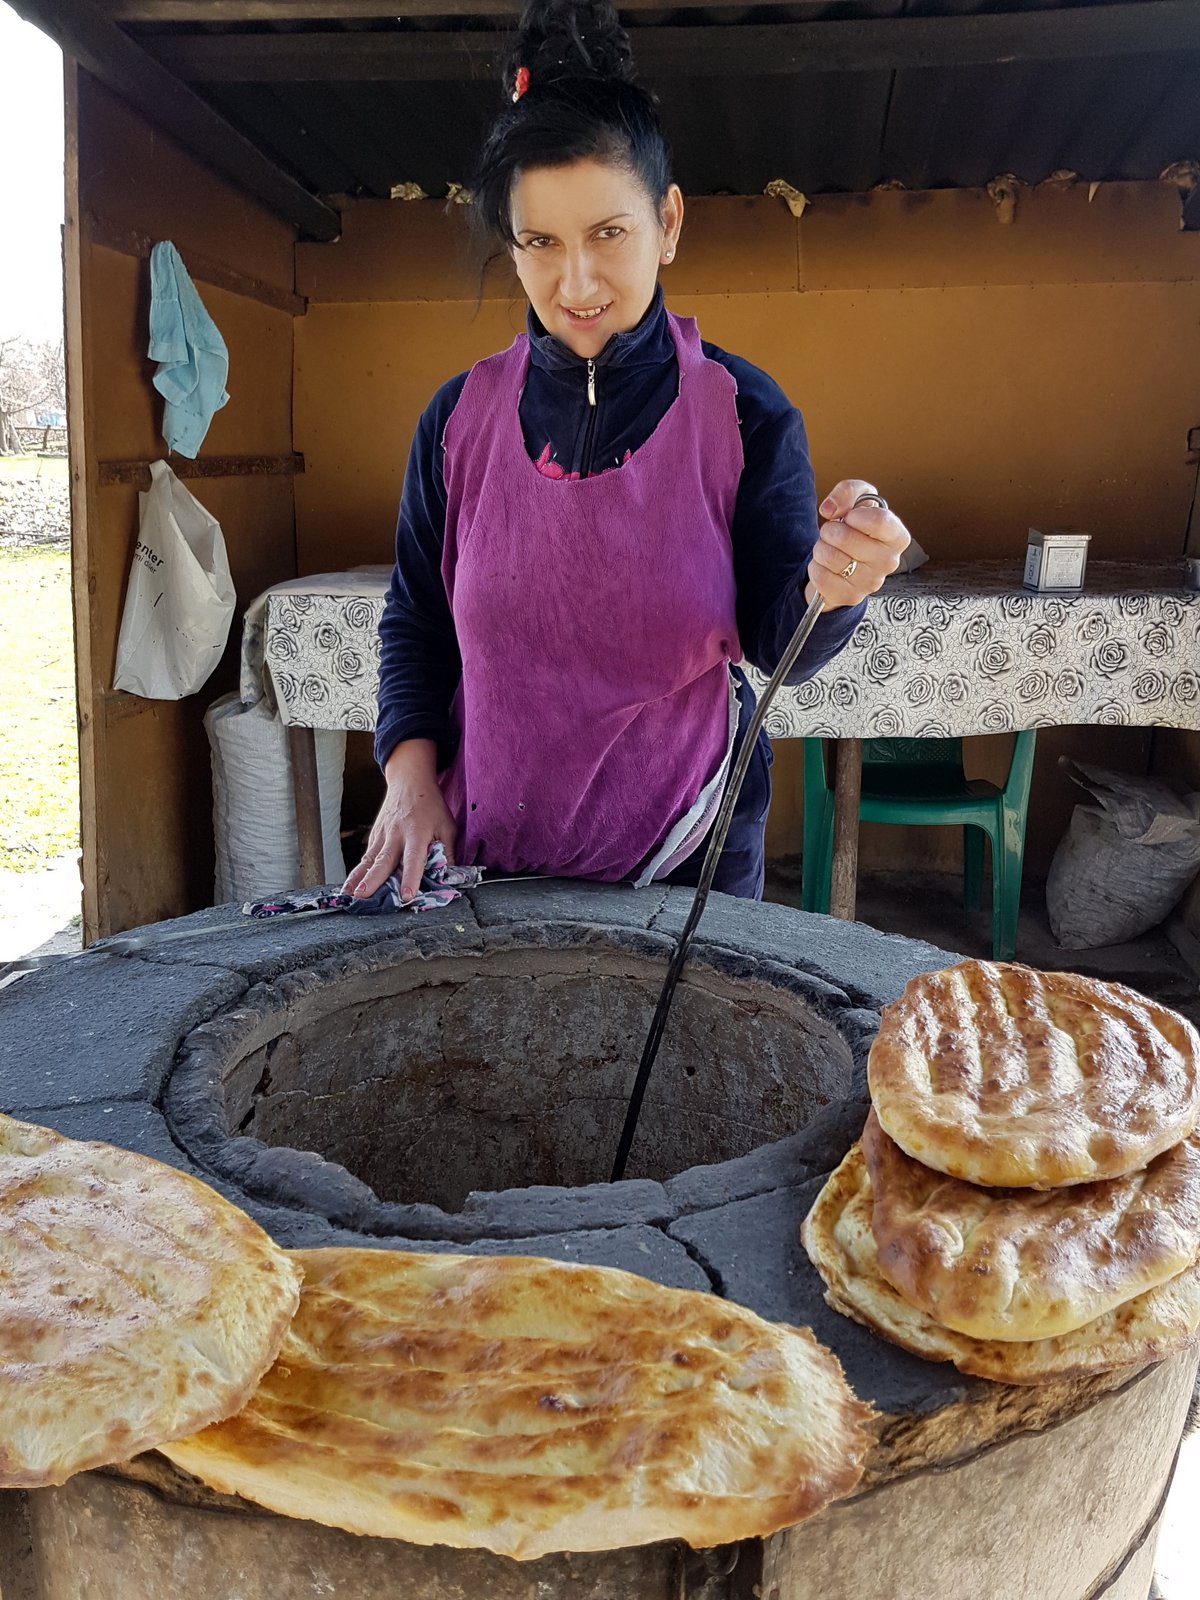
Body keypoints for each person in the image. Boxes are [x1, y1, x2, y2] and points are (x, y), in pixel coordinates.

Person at [346, 0, 910, 906]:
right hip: (494, 854)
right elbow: (417, 620)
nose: (576, 284)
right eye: (540, 243)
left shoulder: (744, 414)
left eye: (610, 233)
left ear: (670, 222)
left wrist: (837, 585)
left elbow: (781, 645)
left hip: (690, 856)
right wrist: (408, 777)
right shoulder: (457, 421)